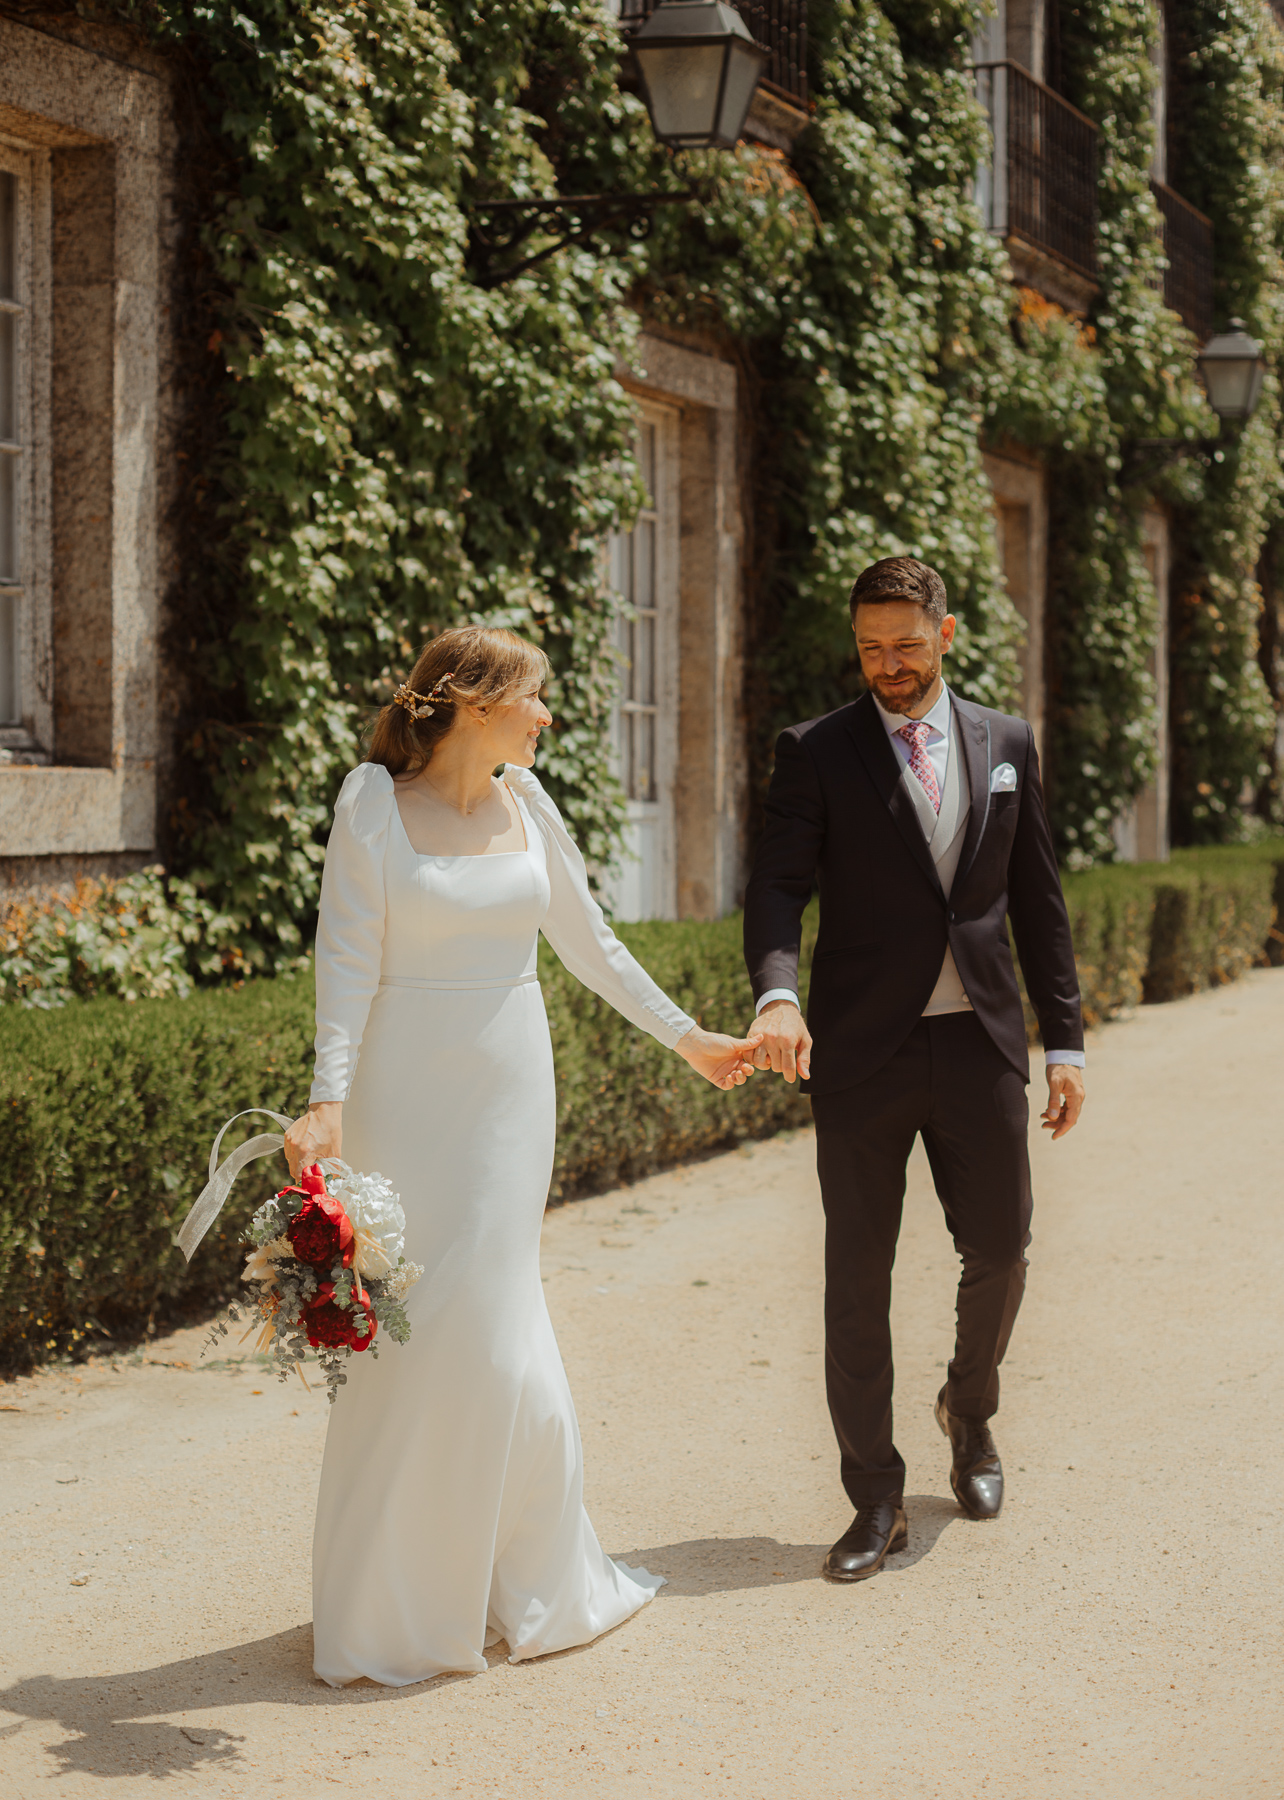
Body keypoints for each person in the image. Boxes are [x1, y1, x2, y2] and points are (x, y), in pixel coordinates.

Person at [284, 625, 760, 1685]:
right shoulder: (372, 807)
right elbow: (346, 957)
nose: (547, 716)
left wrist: (692, 1040)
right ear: (473, 701)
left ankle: (521, 1578)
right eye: (533, 698)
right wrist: (328, 1101)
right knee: (410, 1335)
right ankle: (393, 1608)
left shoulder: (530, 807)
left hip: (510, 1088)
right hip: (404, 1095)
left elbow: (594, 946)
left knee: (496, 1320)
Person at [743, 556, 1085, 1582]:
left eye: (904, 643)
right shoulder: (814, 751)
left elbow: (1039, 900)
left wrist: (1062, 1039)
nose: (886, 665)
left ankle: (967, 1411)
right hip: (859, 1051)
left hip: (979, 1038)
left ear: (945, 635)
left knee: (1004, 1250)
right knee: (857, 1278)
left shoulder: (1008, 743)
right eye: (868, 648)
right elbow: (774, 887)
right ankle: (876, 1494)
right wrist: (776, 992)